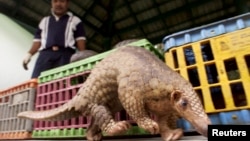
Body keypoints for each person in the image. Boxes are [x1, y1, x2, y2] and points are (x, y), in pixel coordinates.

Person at [22, 0, 86, 78]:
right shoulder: (44, 21)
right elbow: (37, 41)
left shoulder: (75, 20)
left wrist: (83, 58)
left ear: (68, 3)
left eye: (62, 1)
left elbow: (80, 40)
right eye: (55, 1)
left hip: (65, 55)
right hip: (45, 56)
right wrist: (29, 55)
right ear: (52, 3)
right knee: (37, 82)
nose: (58, 4)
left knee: (62, 83)